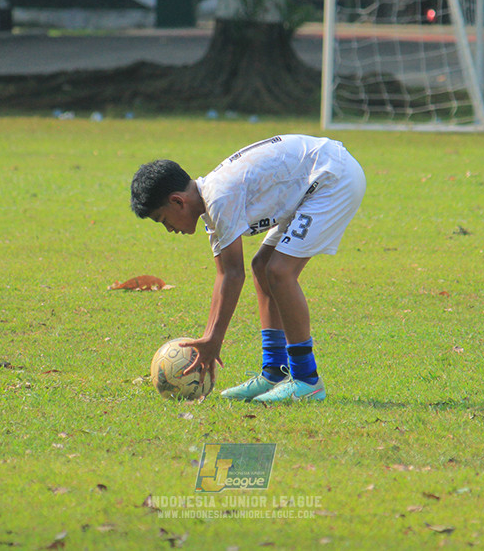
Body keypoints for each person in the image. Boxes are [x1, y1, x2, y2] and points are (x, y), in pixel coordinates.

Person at [130, 135, 366, 403]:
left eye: (163, 220)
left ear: (177, 201)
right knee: (262, 266)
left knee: (279, 272)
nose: (169, 229)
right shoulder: (211, 203)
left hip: (333, 178)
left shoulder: (219, 198)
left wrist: (213, 339)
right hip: (317, 178)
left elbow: (232, 274)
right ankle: (275, 372)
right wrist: (209, 338)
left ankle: (307, 379)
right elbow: (225, 274)